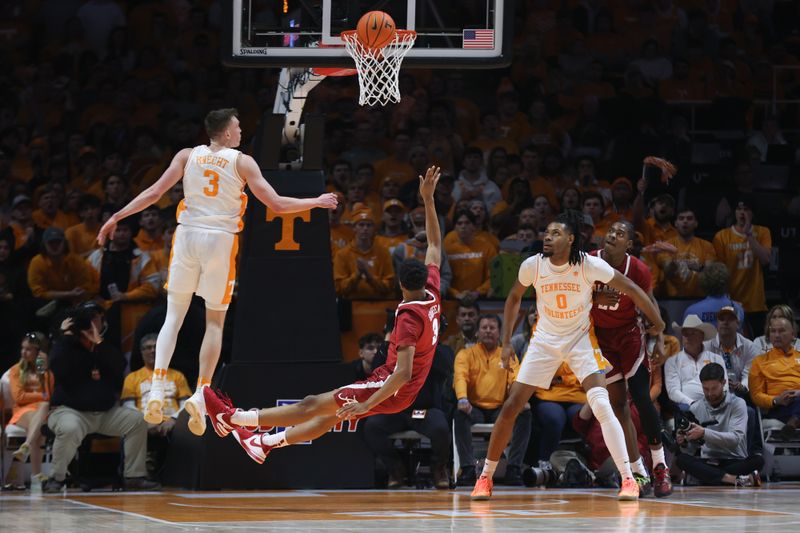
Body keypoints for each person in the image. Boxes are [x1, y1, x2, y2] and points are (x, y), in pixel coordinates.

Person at [96, 108, 338, 436]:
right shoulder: (242, 162)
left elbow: (153, 194)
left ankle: (156, 386)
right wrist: (317, 201)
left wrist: (116, 217)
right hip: (220, 242)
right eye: (237, 128)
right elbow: (277, 205)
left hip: (187, 236)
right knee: (214, 321)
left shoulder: (186, 156)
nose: (240, 132)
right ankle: (200, 393)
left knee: (172, 317)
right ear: (226, 133)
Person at [202, 166, 443, 463]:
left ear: (400, 284)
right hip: (403, 391)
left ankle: (236, 419)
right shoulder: (432, 293)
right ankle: (264, 443)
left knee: (312, 404)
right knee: (328, 417)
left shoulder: (408, 318)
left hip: (389, 387)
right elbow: (434, 245)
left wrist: (366, 405)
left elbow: (402, 373)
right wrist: (428, 201)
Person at [470, 210, 665, 501]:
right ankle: (485, 477)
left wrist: (658, 325)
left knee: (601, 404)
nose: (547, 237)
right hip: (544, 341)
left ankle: (629, 480)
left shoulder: (589, 264)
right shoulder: (532, 265)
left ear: (571, 239)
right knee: (511, 406)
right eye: (546, 232)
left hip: (579, 340)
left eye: (555, 233)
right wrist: (508, 341)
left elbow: (634, 289)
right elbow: (513, 298)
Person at [590, 220, 673, 497]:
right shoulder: (590, 261)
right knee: (617, 406)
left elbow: (650, 302)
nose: (613, 235)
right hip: (601, 338)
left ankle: (660, 466)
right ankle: (638, 472)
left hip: (630, 335)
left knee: (641, 397)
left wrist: (659, 338)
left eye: (621, 233)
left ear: (629, 244)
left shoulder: (637, 268)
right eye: (611, 231)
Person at [43, 302, 160, 492]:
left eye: (96, 317)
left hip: (106, 413)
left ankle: (134, 476)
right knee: (70, 428)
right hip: (70, 411)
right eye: (88, 318)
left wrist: (98, 342)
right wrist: (65, 337)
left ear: (102, 321)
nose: (92, 322)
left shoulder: (104, 346)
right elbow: (57, 367)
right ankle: (56, 478)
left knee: (137, 421)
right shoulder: (65, 346)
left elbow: (119, 366)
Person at [453, 314, 532, 486]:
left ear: (499, 333)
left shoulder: (508, 355)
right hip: (473, 407)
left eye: (492, 328)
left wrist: (519, 400)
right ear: (478, 333)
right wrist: (462, 398)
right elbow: (460, 377)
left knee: (525, 414)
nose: (488, 331)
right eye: (484, 328)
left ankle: (514, 468)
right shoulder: (465, 354)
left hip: (500, 408)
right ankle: (467, 468)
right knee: (459, 415)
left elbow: (515, 380)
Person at [674, 363, 763, 487]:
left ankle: (704, 477)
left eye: (714, 388)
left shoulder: (738, 404)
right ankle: (733, 479)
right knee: (681, 459)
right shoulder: (695, 407)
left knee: (758, 461)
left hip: (734, 459)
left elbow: (736, 439)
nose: (710, 393)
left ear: (724, 383)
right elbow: (691, 449)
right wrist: (684, 441)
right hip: (708, 460)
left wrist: (704, 433)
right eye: (706, 389)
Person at [121, 333, 192, 478]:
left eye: (156, 347)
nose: (152, 350)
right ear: (141, 353)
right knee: (133, 430)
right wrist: (144, 422)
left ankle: (182, 477)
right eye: (147, 348)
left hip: (174, 424)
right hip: (143, 422)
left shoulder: (177, 376)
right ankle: (138, 476)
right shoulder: (132, 378)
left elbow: (187, 404)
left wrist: (173, 420)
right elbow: (128, 406)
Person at [6, 332, 54, 485]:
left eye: (28, 349)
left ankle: (26, 446)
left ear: (38, 352)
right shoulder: (16, 370)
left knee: (43, 409)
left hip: (40, 412)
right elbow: (19, 397)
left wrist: (43, 371)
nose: (23, 352)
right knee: (42, 417)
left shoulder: (44, 371)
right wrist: (39, 396)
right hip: (21, 412)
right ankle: (36, 473)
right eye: (22, 348)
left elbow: (48, 394)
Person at [749, 315, 800, 439]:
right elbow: (755, 395)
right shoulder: (759, 361)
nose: (777, 335)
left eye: (781, 331)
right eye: (773, 331)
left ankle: (792, 424)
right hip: (779, 408)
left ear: (793, 335)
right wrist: (776, 400)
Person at [664, 315, 728, 411]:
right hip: (688, 407)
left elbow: (724, 386)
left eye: (692, 333)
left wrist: (714, 403)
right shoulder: (672, 361)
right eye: (685, 334)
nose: (688, 338)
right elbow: (673, 391)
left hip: (716, 403)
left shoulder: (716, 358)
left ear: (702, 336)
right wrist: (693, 404)